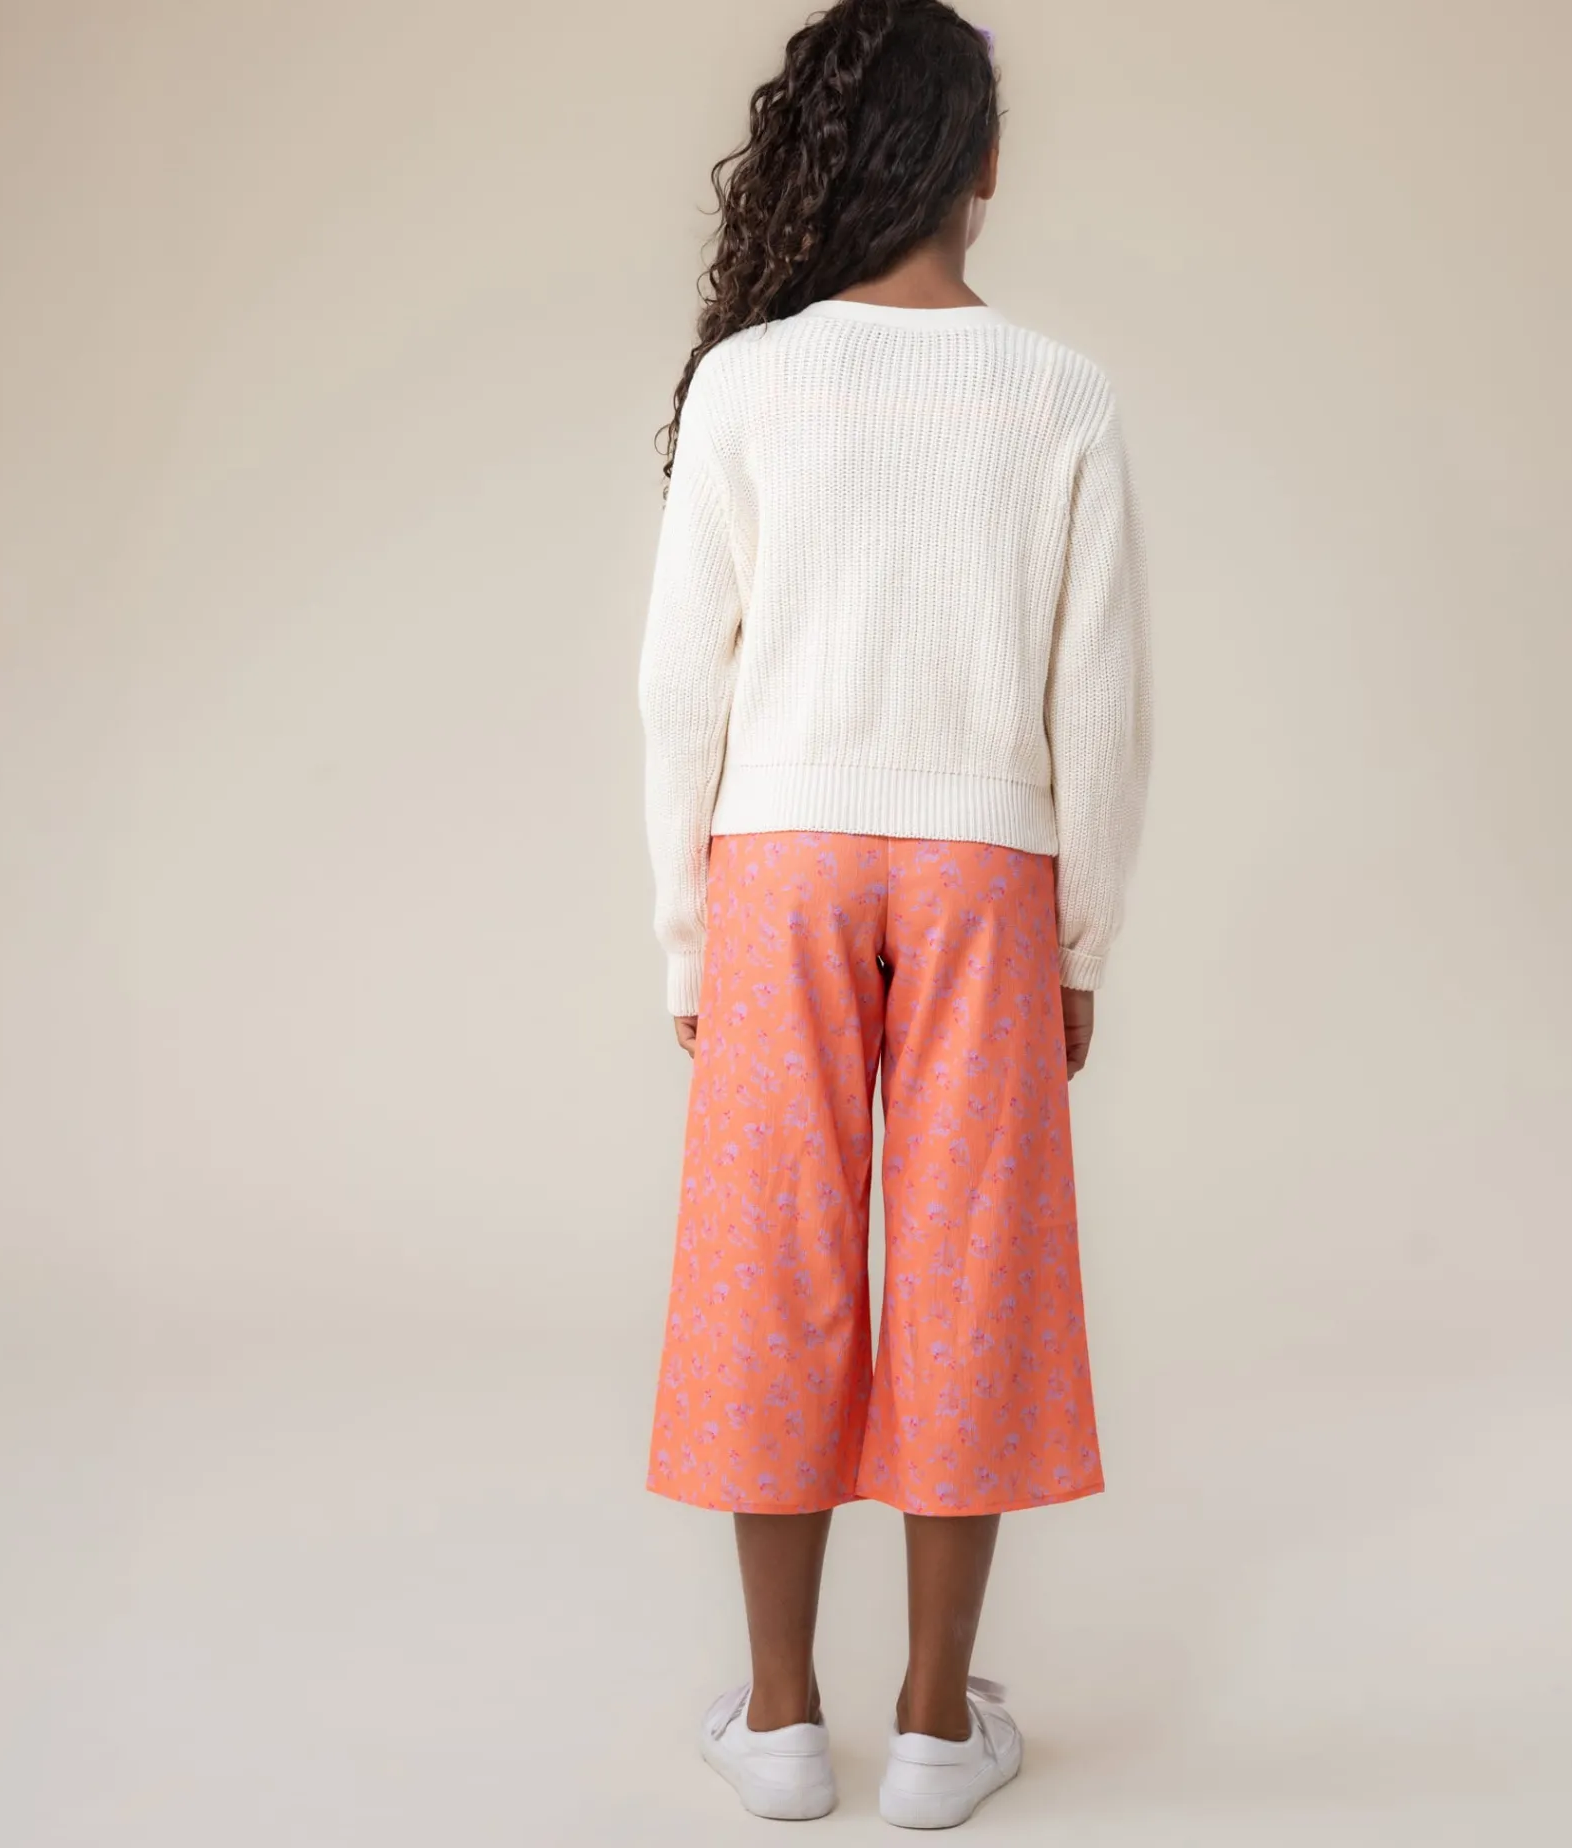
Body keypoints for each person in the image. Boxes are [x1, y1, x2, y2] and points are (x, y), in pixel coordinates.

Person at [637, 0, 1150, 1825]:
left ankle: (782, 1722)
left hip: (779, 863)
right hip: (981, 871)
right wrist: (1078, 945)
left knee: (767, 1262)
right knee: (970, 1268)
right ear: (984, 165)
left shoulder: (750, 382)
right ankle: (937, 1727)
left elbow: (679, 686)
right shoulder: (1060, 394)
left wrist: (688, 932)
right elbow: (1101, 704)